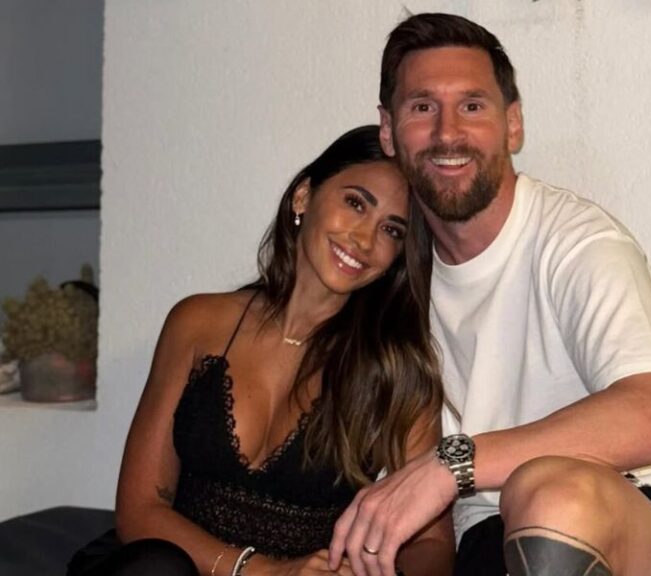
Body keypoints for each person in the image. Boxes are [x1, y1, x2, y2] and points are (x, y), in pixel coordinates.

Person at [328, 13, 651, 576]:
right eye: (423, 107)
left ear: (513, 124)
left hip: (634, 521)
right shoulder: (393, 275)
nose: (447, 133)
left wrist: (451, 464)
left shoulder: (576, 242)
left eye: (472, 106)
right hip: (485, 540)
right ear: (388, 129)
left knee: (547, 495)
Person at [68, 125, 454, 576]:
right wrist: (261, 571)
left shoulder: (398, 373)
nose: (365, 240)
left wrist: (368, 570)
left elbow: (432, 545)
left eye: (391, 230)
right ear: (304, 196)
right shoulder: (196, 324)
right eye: (355, 203)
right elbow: (139, 510)